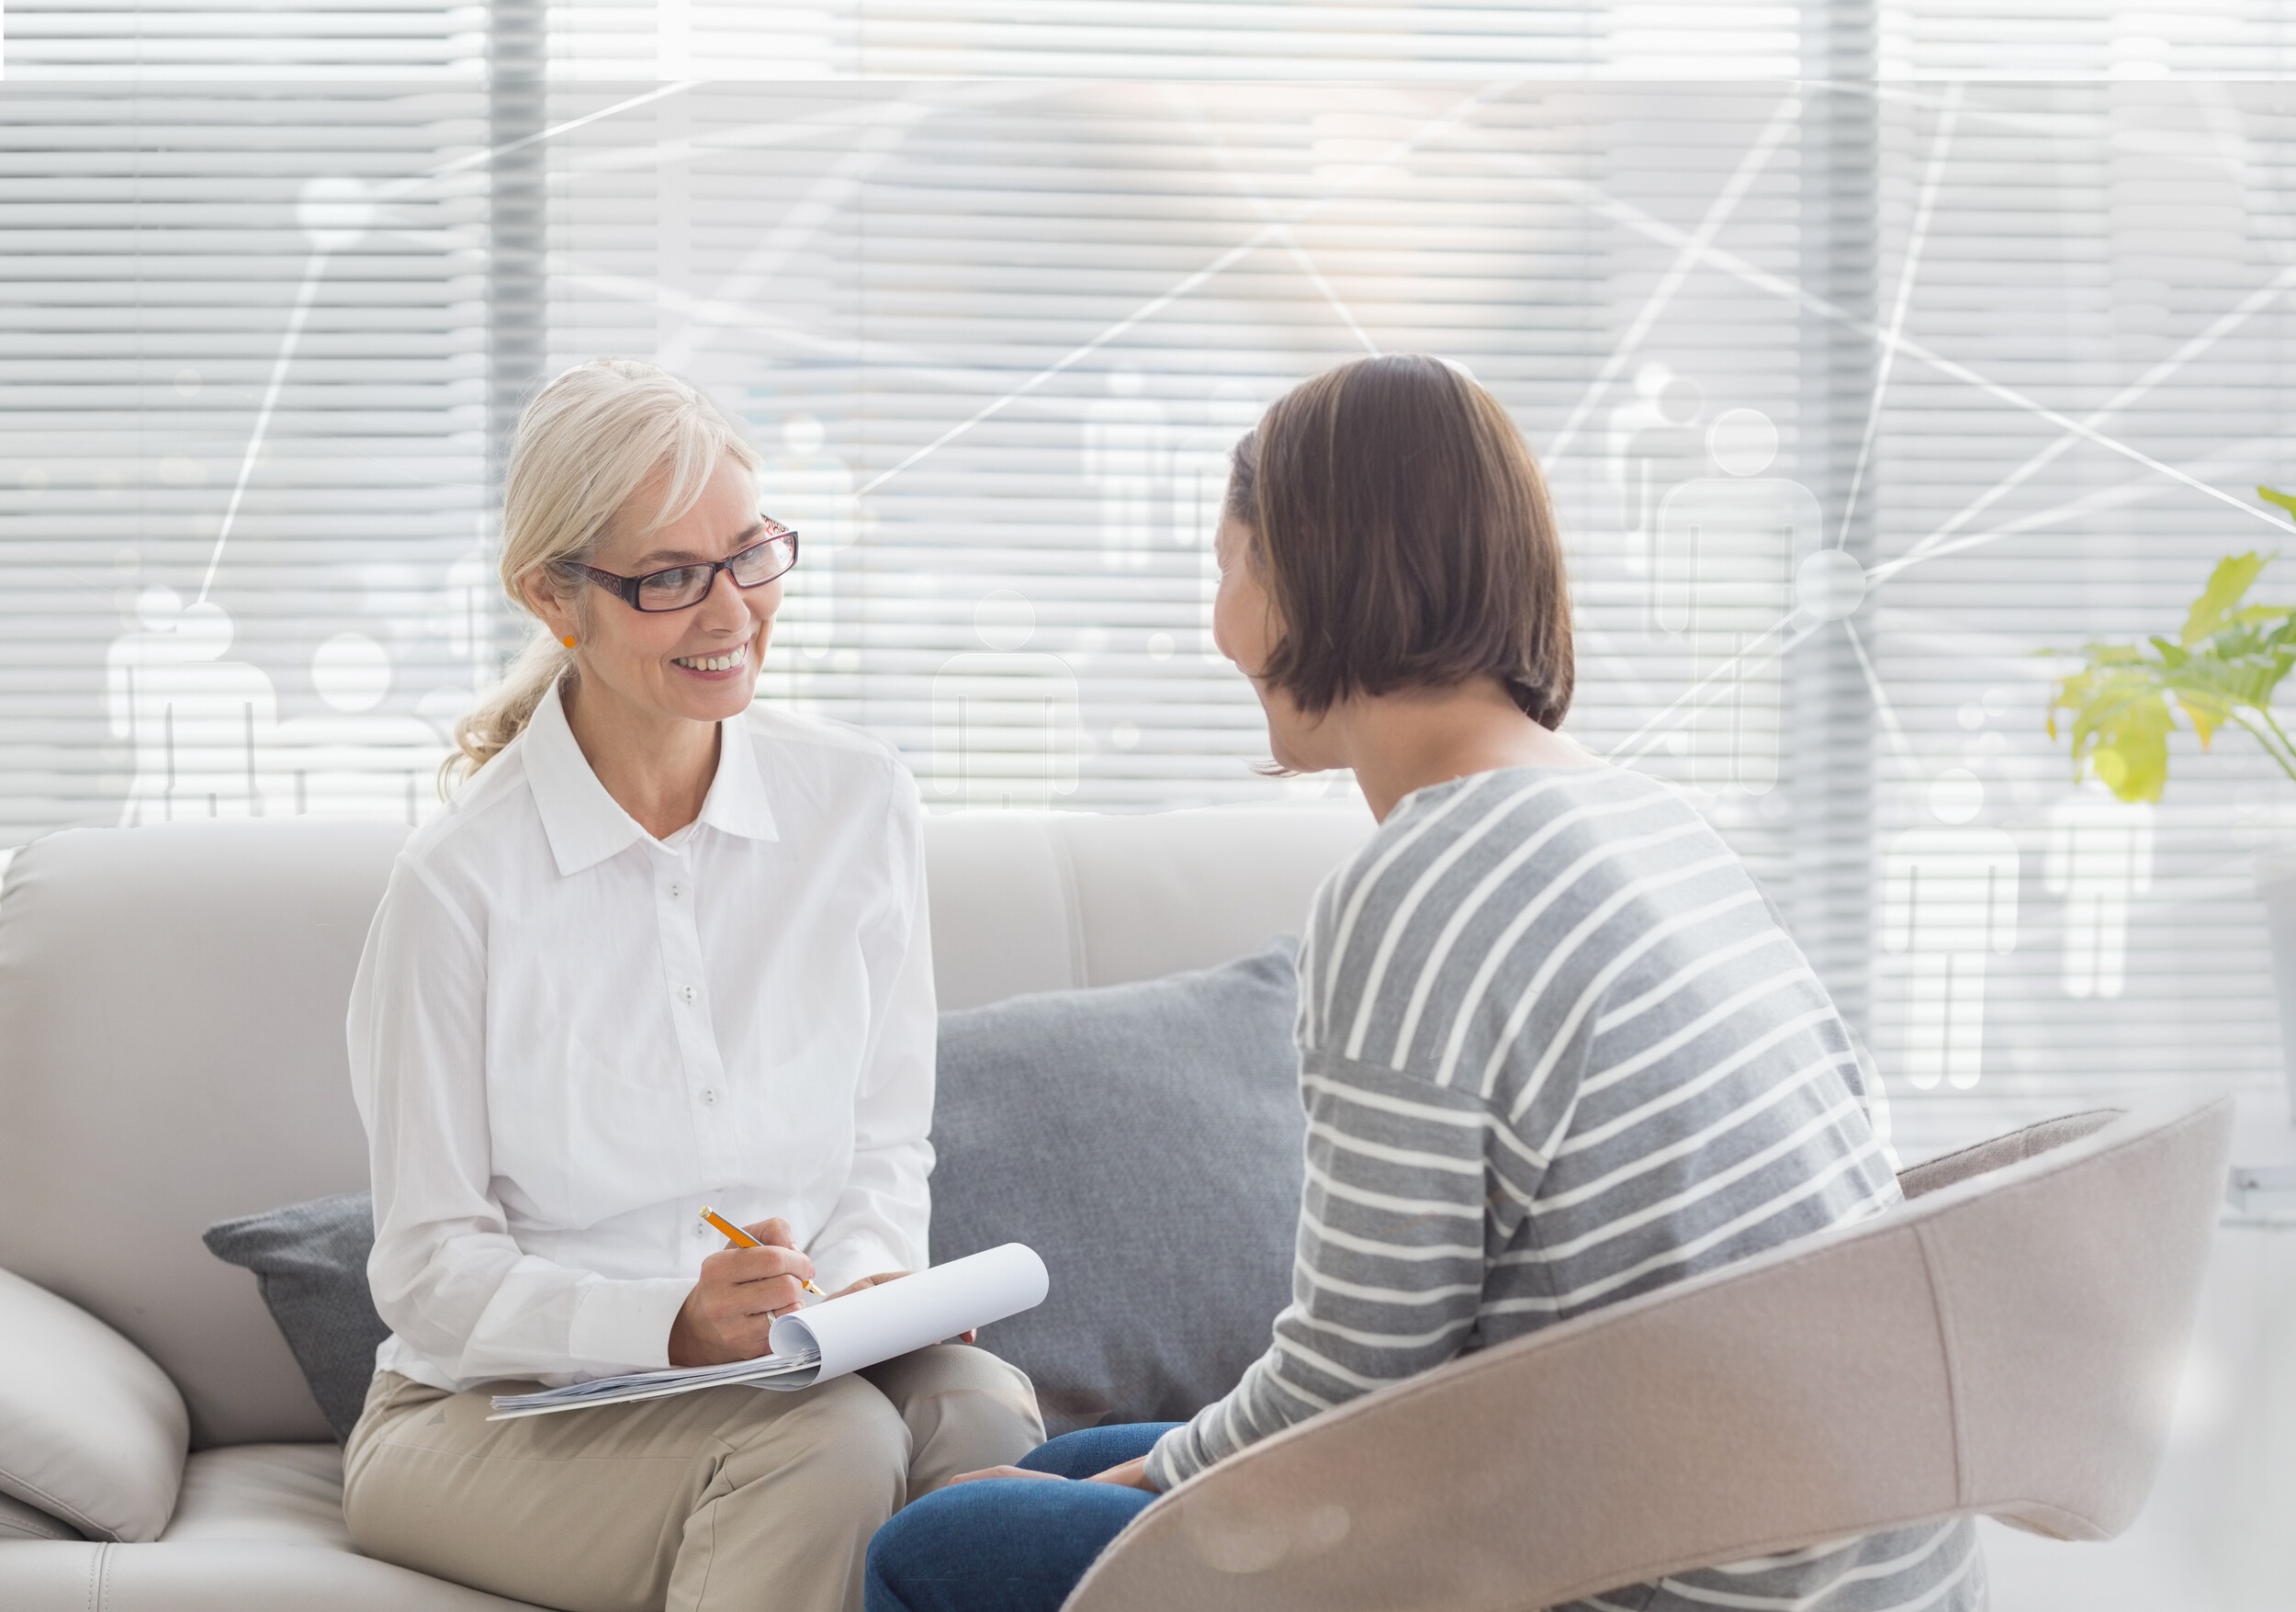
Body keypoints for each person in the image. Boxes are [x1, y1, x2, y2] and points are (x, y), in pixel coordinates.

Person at [864, 355, 1978, 1612]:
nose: (1217, 623)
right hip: (1854, 1554)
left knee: (932, 1552)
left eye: (1230, 566)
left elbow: (1353, 1385)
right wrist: (1116, 1486)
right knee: (1059, 1468)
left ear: (1311, 578)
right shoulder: (1650, 821)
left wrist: (1135, 1505)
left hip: (1650, 1571)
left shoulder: (1421, 889)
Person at [341, 360, 1042, 1612]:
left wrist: (876, 1280)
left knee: (977, 1415)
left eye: (753, 555)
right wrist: (669, 1324)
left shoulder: (858, 803)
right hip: (489, 1415)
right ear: (554, 599)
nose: (731, 613)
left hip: (790, 1366)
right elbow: (430, 1274)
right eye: (669, 579)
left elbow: (886, 1142)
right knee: (829, 1449)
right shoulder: (460, 886)